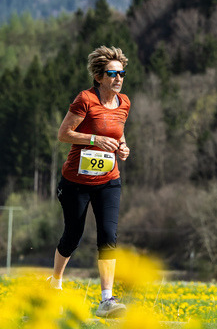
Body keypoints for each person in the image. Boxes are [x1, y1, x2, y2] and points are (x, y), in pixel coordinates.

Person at [49, 45, 131, 318]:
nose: (118, 78)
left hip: (109, 180)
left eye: (121, 73)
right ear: (99, 77)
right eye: (112, 73)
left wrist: (123, 148)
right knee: (73, 235)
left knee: (108, 235)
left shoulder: (125, 103)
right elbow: (64, 134)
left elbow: (118, 135)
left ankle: (106, 300)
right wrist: (94, 140)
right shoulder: (85, 100)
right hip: (76, 181)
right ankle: (55, 284)